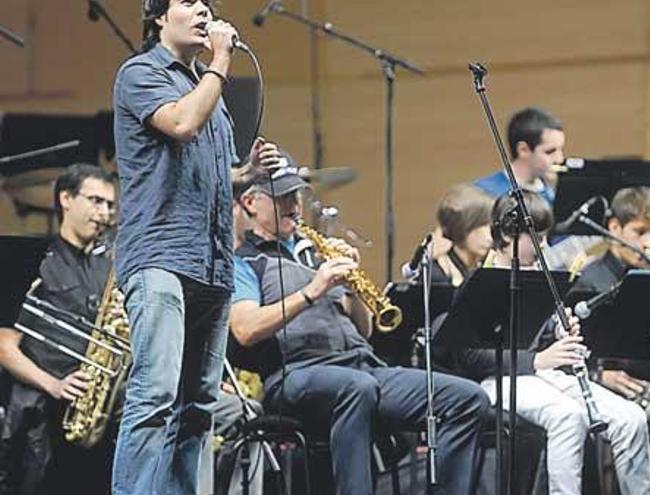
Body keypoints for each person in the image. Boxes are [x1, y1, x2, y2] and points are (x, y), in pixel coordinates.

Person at [228, 166, 489, 495]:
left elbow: (364, 332)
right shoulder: (244, 262)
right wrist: (313, 290)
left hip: (360, 365)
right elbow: (245, 329)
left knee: (467, 398)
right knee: (357, 387)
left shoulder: (315, 253)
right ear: (251, 202)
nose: (294, 205)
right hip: (295, 373)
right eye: (282, 198)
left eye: (296, 195)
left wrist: (352, 289)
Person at [111, 2, 275, 493]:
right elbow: (181, 124)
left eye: (209, 3)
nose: (205, 9)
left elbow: (212, 173)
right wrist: (222, 62)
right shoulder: (139, 73)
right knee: (155, 394)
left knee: (199, 406)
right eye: (190, 1)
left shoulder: (209, 87)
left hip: (213, 263)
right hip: (160, 254)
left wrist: (247, 175)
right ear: (158, 16)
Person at [445, 190, 650, 495]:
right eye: (536, 237)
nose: (544, 246)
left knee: (631, 418)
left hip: (543, 377)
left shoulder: (539, 279)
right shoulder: (480, 283)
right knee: (568, 417)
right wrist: (538, 360)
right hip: (497, 381)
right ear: (507, 235)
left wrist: (559, 334)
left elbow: (540, 339)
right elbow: (470, 358)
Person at [0, 164, 117, 495]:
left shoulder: (106, 266)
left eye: (109, 204)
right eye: (95, 200)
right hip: (41, 420)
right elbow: (4, 346)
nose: (104, 212)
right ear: (66, 198)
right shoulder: (34, 260)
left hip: (94, 419)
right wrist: (54, 385)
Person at [571, 186, 650, 403]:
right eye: (640, 232)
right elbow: (572, 350)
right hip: (607, 390)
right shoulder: (588, 281)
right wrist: (598, 374)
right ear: (614, 227)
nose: (649, 244)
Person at [474, 107, 565, 205]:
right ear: (523, 150)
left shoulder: (552, 196)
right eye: (550, 151)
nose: (560, 159)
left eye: (560, 150)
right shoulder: (484, 195)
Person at [431, 184, 494, 286]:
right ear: (460, 227)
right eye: (482, 225)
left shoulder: (485, 266)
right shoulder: (435, 275)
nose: (490, 235)